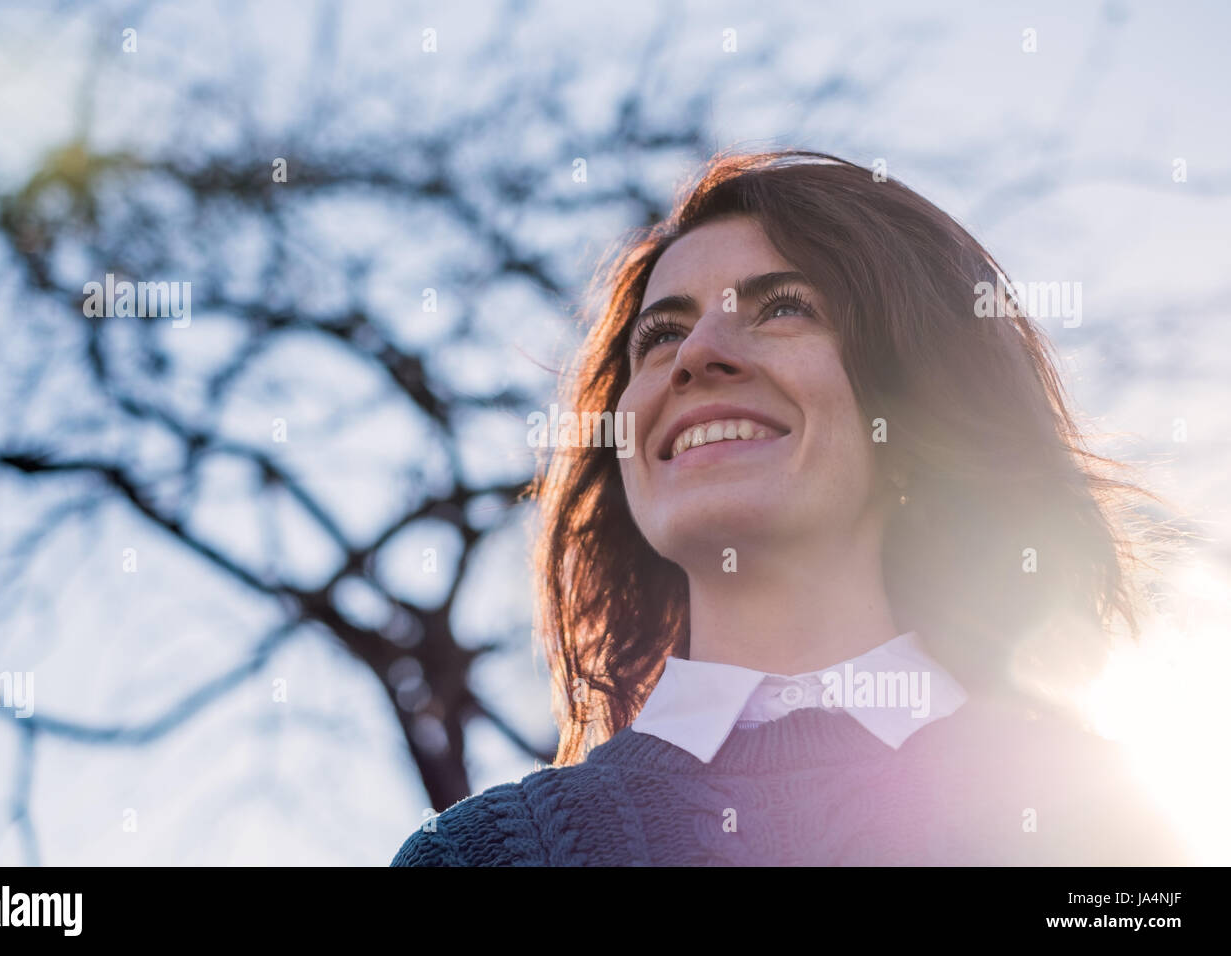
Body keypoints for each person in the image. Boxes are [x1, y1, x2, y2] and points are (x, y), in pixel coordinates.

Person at [390, 148, 1191, 866]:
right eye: (660, 335)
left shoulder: (1102, 826)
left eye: (783, 308)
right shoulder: (476, 856)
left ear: (911, 405)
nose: (697, 354)